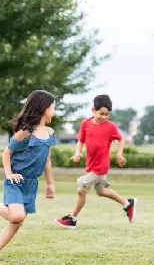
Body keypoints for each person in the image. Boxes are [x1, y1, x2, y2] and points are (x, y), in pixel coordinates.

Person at [0, 90, 56, 262]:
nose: (54, 111)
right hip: (16, 180)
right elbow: (7, 153)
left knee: (17, 222)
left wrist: (50, 184)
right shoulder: (25, 131)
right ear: (44, 108)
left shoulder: (50, 133)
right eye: (53, 107)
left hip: (31, 183)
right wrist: (9, 173)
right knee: (17, 216)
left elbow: (47, 160)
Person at [54, 95, 137, 229]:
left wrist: (119, 153)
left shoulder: (110, 127)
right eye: (101, 114)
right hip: (91, 165)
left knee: (81, 191)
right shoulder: (85, 124)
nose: (104, 117)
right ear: (93, 110)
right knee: (101, 191)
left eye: (107, 114)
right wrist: (77, 152)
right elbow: (81, 140)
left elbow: (121, 139)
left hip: (100, 166)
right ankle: (128, 203)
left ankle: (72, 219)